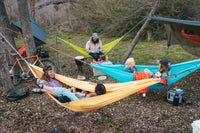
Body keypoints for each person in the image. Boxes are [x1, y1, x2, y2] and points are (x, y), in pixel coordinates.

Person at [32, 79, 106, 102]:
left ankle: (43, 87)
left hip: (78, 102)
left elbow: (88, 98)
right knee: (63, 93)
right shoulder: (96, 95)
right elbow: (85, 95)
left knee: (64, 91)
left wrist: (83, 94)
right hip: (77, 97)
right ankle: (43, 90)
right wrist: (78, 92)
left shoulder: (96, 97)